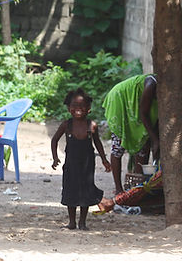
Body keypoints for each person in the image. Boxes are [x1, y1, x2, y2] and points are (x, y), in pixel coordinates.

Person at [51, 88, 111, 230]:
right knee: (71, 191)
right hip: (71, 165)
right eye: (74, 106)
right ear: (68, 108)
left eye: (82, 106)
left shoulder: (92, 126)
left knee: (86, 191)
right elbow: (54, 140)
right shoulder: (67, 125)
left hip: (87, 165)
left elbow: (98, 144)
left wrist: (104, 159)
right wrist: (55, 158)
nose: (78, 109)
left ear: (88, 109)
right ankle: (72, 222)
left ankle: (82, 222)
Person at [102, 74, 158, 194]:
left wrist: (154, 139)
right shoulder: (152, 84)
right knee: (118, 145)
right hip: (121, 99)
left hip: (136, 103)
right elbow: (143, 113)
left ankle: (136, 186)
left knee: (143, 141)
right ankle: (118, 189)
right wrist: (155, 140)